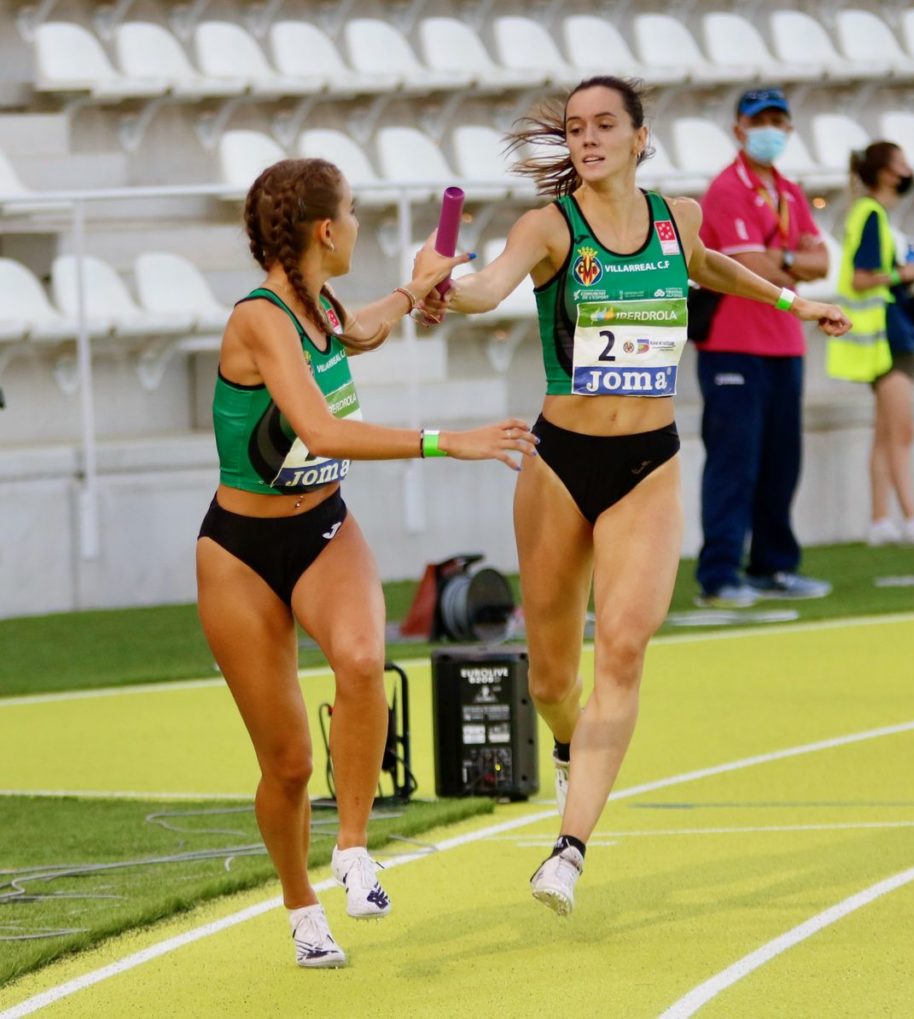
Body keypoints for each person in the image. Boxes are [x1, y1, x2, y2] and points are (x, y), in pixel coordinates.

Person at [439, 76, 850, 915]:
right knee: (553, 677)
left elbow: (706, 266)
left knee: (623, 646)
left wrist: (790, 299)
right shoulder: (549, 226)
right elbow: (486, 292)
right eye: (575, 129)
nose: (587, 139)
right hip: (559, 467)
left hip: (648, 466)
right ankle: (566, 745)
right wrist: (447, 283)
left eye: (603, 126)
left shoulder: (679, 217)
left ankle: (569, 848)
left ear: (638, 136)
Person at [196, 157, 538, 968]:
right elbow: (322, 429)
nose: (356, 223)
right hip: (240, 554)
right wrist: (446, 439)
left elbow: (366, 327)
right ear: (325, 230)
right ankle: (301, 904)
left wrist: (418, 288)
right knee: (286, 765)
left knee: (361, 659)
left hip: (323, 528)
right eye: (351, 211)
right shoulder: (261, 319)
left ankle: (352, 848)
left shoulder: (319, 306)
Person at [693, 86, 834, 609]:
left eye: (778, 120)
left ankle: (774, 566)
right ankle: (719, 574)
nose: (769, 130)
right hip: (732, 342)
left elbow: (824, 263)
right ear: (739, 129)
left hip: (784, 343)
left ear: (789, 129)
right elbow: (749, 266)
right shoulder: (727, 189)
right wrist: (788, 258)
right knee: (734, 461)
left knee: (781, 461)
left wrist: (783, 259)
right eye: (759, 121)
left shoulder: (791, 192)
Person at [833, 141, 914, 547]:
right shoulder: (872, 215)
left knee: (885, 432)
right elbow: (863, 279)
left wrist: (904, 280)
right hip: (887, 339)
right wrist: (904, 274)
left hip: (890, 332)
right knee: (900, 431)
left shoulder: (873, 216)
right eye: (901, 163)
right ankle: (912, 517)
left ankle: (881, 520)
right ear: (885, 172)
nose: (907, 170)